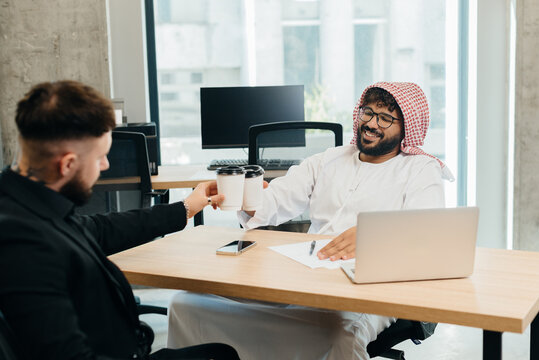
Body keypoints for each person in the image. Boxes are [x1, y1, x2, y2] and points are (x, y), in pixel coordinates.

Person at [167, 82, 454, 360]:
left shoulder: (420, 169)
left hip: (371, 286)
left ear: (406, 128)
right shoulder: (330, 159)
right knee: (187, 304)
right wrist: (246, 199)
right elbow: (276, 200)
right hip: (306, 272)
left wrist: (373, 236)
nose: (371, 123)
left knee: (341, 332)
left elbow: (427, 231)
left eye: (385, 118)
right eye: (368, 112)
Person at [0, 80, 240, 360]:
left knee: (221, 353)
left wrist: (186, 207)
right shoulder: (22, 242)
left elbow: (102, 229)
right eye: (101, 156)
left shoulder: (29, 201)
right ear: (67, 164)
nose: (106, 165)